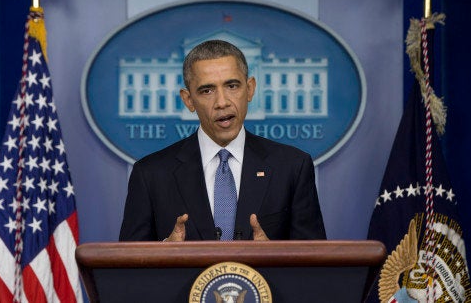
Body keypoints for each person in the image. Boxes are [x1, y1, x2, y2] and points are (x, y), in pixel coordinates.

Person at [119, 40, 326, 241]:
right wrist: (163, 255)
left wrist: (274, 258)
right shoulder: (150, 175)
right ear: (188, 100)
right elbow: (126, 270)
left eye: (232, 86)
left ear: (250, 89)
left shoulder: (292, 167)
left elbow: (315, 268)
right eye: (207, 90)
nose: (222, 102)